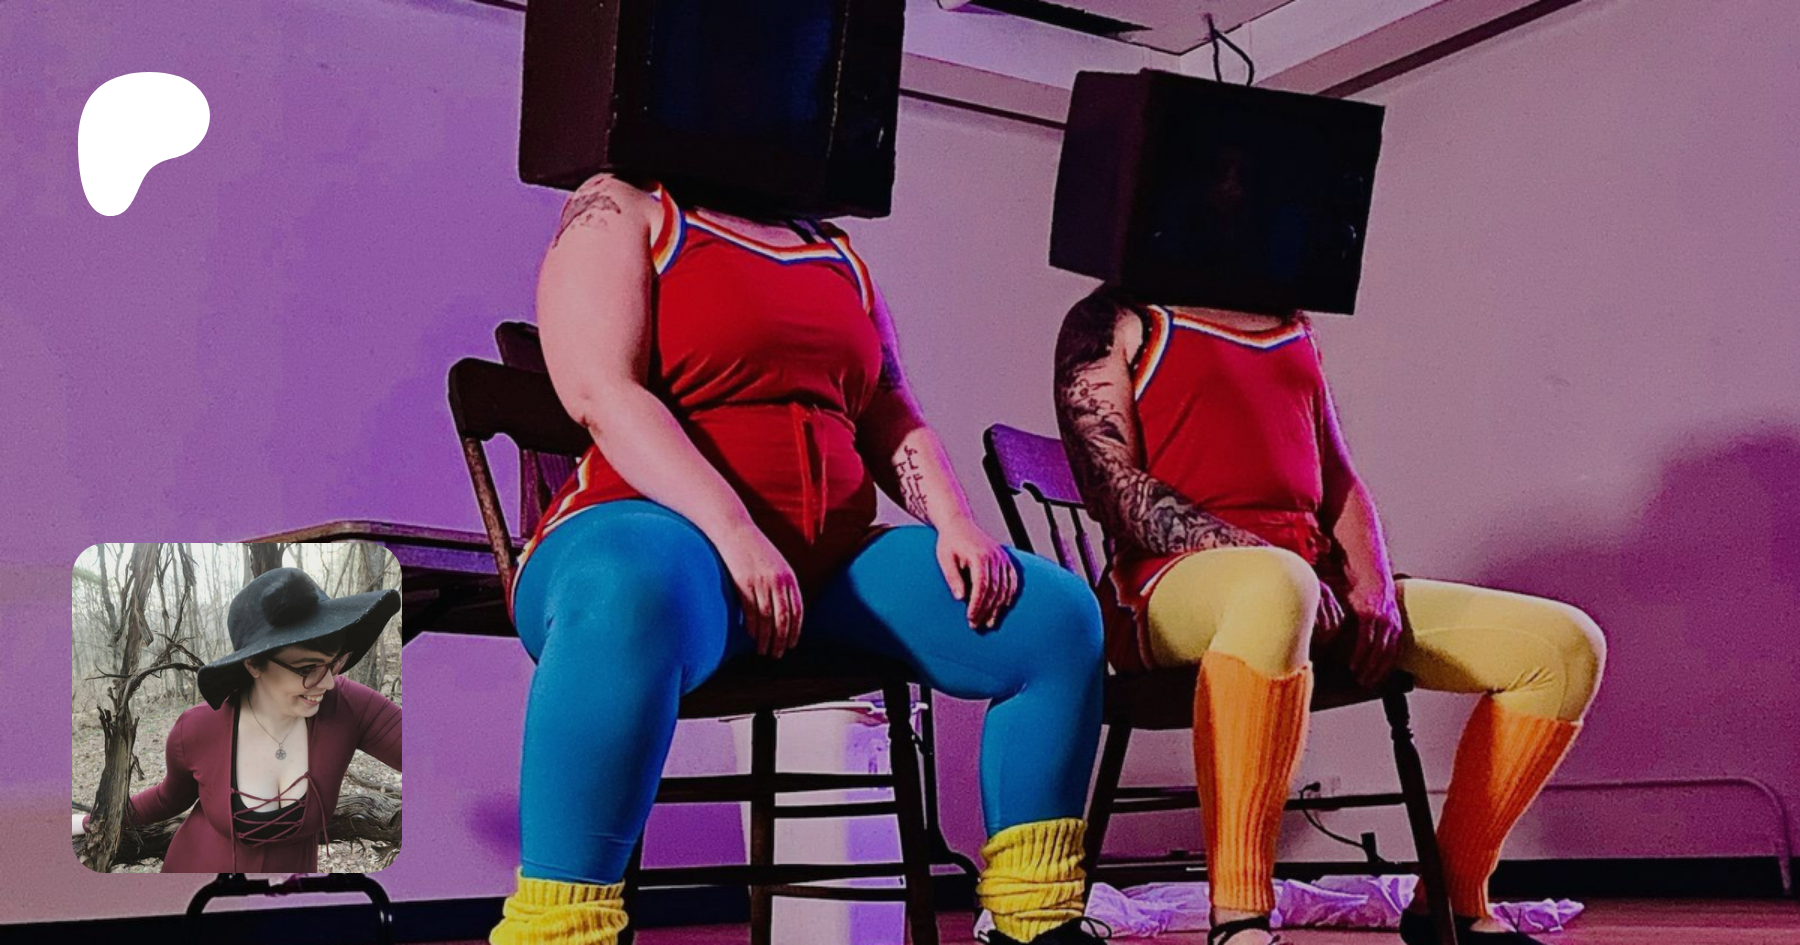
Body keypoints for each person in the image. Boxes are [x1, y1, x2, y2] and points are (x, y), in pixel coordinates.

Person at [489, 175, 1107, 945]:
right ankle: (560, 933)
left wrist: (956, 521)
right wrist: (735, 530)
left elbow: (889, 406)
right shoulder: (624, 207)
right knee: (625, 589)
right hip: (664, 546)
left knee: (1054, 618)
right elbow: (601, 392)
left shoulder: (836, 251)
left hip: (828, 569)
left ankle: (1036, 924)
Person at [1052, 287, 1605, 945]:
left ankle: (1451, 902)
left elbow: (1339, 479)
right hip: (1162, 588)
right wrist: (1287, 573)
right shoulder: (1116, 319)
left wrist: (1373, 588)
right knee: (1276, 584)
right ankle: (1239, 917)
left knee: (1564, 646)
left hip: (1310, 585)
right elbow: (1113, 490)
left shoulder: (1292, 324)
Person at [73, 566, 402, 873]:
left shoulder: (349, 707)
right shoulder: (197, 729)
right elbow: (166, 798)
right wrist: (92, 821)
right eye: (308, 669)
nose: (328, 682)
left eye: (335, 663)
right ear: (254, 664)